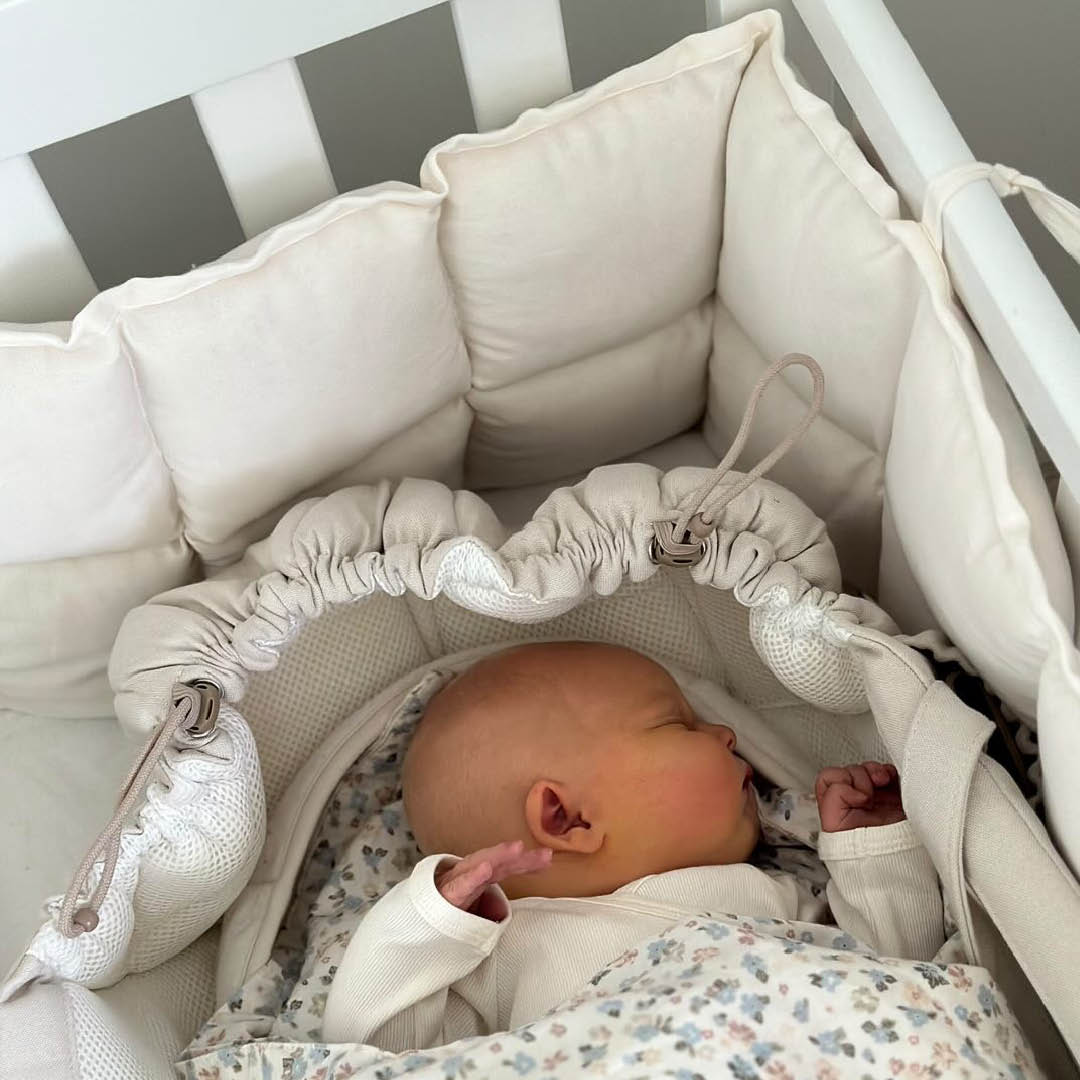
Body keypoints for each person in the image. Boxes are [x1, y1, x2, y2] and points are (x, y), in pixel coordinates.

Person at [321, 641, 944, 1050]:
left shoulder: (774, 893)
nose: (727, 733)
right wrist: (426, 925)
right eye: (679, 724)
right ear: (567, 818)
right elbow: (376, 1052)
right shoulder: (507, 956)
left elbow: (898, 981)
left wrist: (872, 849)